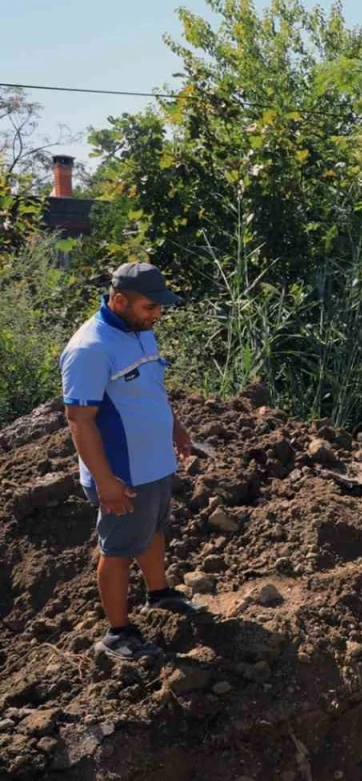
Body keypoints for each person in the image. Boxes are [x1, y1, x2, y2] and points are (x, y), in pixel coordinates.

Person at [59, 262, 205, 661]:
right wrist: (106, 481)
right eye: (149, 306)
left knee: (153, 531)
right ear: (119, 300)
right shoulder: (90, 348)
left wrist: (176, 428)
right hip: (122, 472)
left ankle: (159, 595)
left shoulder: (139, 331)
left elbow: (152, 389)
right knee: (119, 549)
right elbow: (79, 420)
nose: (156, 314)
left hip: (154, 463)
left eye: (159, 307)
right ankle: (116, 633)